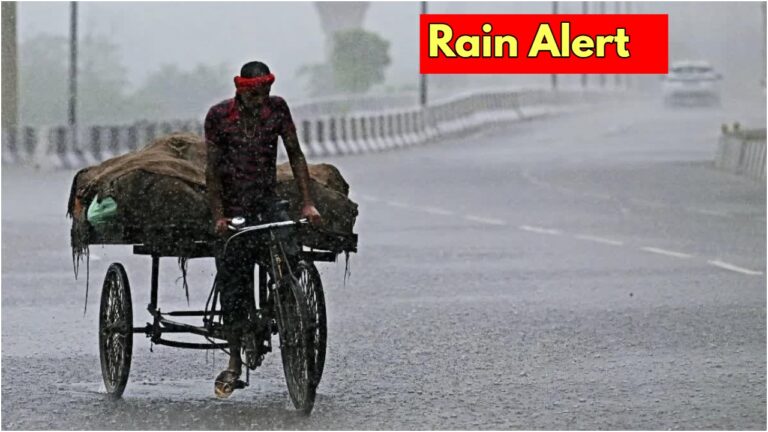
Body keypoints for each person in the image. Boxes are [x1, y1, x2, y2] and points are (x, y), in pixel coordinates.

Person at [204, 60, 322, 398]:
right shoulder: (219, 117)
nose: (263, 98)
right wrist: (219, 216)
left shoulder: (278, 109)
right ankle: (234, 358)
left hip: (267, 203)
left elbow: (296, 155)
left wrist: (308, 202)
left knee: (290, 255)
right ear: (242, 90)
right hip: (233, 209)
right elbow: (212, 171)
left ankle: (285, 305)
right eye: (257, 92)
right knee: (234, 279)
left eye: (266, 91)